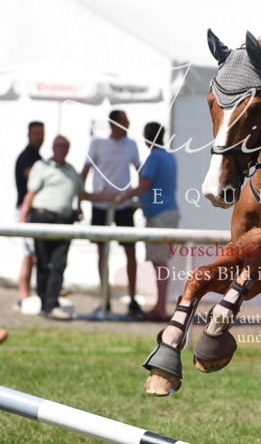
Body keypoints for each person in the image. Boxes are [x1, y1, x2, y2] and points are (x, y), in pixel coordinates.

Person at [19, 136, 101, 320]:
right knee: (42, 261)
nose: (61, 149)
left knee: (59, 263)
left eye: (65, 146)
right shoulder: (42, 167)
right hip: (42, 217)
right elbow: (30, 193)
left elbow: (81, 193)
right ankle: (44, 302)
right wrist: (23, 218)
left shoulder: (71, 171)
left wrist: (106, 197)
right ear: (53, 147)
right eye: (59, 145)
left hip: (64, 221)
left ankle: (51, 304)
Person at [81, 109, 143, 318]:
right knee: (102, 252)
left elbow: (141, 171)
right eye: (125, 121)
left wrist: (137, 194)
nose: (128, 125)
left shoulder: (131, 145)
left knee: (130, 252)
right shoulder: (97, 143)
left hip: (123, 206)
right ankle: (104, 298)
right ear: (114, 124)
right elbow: (85, 171)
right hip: (100, 206)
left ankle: (132, 299)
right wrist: (80, 200)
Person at [114, 122, 179, 322]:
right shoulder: (170, 156)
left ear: (146, 137)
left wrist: (122, 196)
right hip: (168, 213)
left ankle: (160, 307)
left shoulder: (154, 158)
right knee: (160, 261)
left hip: (159, 216)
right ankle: (159, 305)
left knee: (159, 262)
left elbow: (143, 186)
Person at [14, 121, 44, 307]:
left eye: (41, 133)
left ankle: (27, 294)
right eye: (36, 133)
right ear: (28, 134)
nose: (39, 136)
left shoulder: (37, 156)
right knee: (29, 254)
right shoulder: (27, 156)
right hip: (25, 211)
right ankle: (23, 295)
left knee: (33, 254)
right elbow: (32, 178)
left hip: (32, 211)